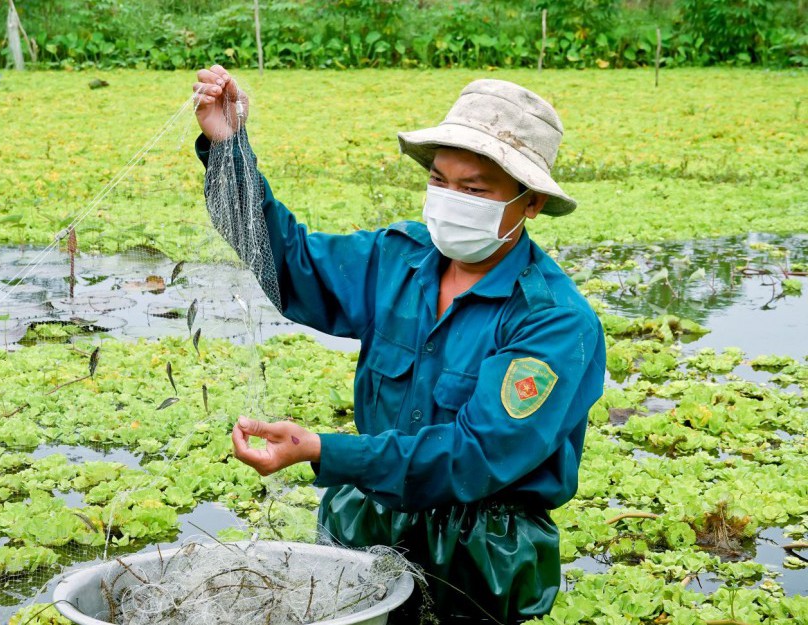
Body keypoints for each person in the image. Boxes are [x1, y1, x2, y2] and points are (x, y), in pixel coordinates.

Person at [192, 65, 606, 624]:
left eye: (474, 189)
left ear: (529, 203)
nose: (449, 199)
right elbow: (289, 266)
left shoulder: (553, 322)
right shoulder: (397, 259)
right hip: (369, 522)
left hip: (479, 554)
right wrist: (228, 148)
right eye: (439, 180)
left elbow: (473, 456)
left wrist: (323, 450)